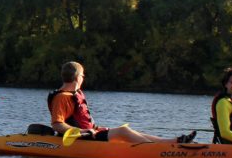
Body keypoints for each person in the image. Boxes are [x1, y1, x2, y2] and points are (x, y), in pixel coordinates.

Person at [51, 61, 196, 143]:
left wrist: (96, 127)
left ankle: (174, 142)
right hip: (82, 138)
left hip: (90, 134)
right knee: (123, 131)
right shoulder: (62, 97)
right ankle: (157, 150)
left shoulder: (76, 94)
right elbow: (57, 124)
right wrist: (82, 131)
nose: (83, 78)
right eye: (82, 75)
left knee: (131, 132)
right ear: (77, 77)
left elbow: (82, 120)